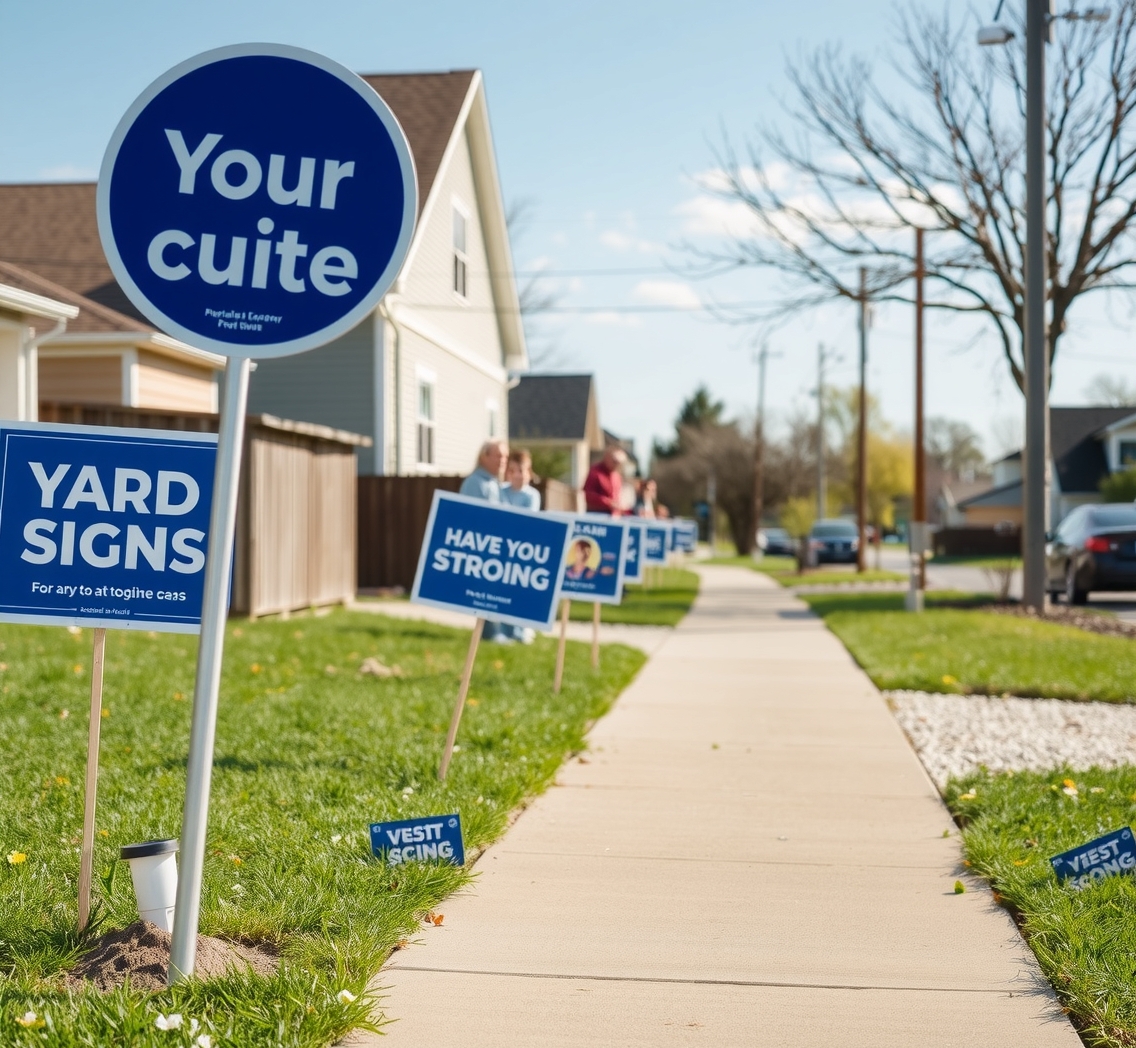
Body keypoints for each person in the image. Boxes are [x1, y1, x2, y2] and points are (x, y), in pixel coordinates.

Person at [460, 440, 512, 643]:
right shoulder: (475, 483)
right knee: (485, 592)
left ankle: (505, 631)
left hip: (497, 548)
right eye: (498, 455)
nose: (503, 460)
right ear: (484, 457)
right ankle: (491, 632)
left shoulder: (495, 484)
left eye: (505, 456)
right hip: (483, 549)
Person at [499, 448, 539, 643]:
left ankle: (523, 629)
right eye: (512, 470)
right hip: (504, 549)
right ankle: (506, 629)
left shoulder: (532, 495)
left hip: (523, 550)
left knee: (521, 590)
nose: (517, 475)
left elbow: (526, 521)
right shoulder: (501, 491)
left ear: (529, 472)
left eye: (521, 471)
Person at [584, 445, 627, 516]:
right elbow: (588, 495)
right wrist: (608, 503)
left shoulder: (617, 476)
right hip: (596, 515)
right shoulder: (595, 472)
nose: (617, 465)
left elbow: (616, 497)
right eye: (615, 461)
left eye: (620, 463)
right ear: (607, 458)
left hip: (613, 516)